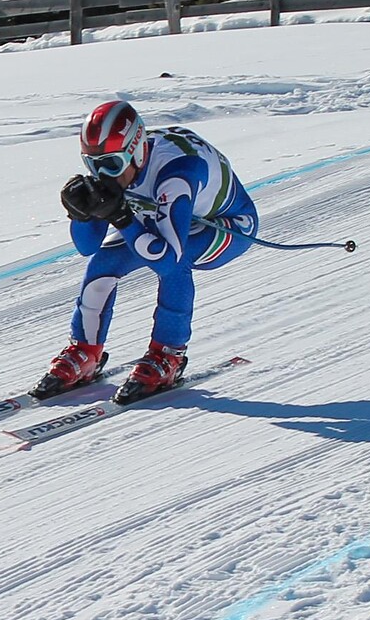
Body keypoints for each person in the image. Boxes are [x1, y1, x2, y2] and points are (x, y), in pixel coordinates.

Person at [39, 100, 258, 405]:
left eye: (112, 165)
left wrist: (123, 218)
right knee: (103, 262)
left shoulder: (177, 174)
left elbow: (168, 261)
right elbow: (86, 247)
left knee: (177, 264)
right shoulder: (123, 163)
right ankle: (86, 350)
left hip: (228, 225)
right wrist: (80, 213)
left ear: (137, 150)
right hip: (163, 216)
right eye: (93, 165)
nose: (104, 176)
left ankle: (169, 354)